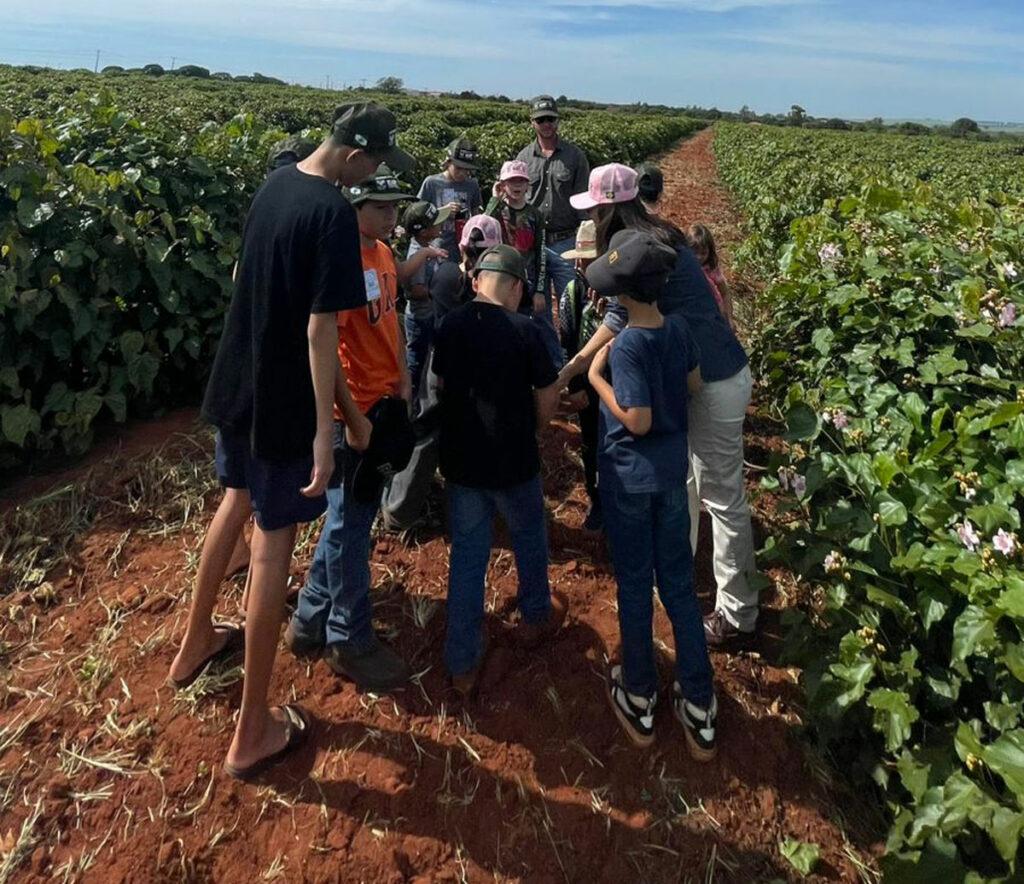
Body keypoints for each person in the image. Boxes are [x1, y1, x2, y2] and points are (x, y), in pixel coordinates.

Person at [169, 101, 413, 780]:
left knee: (234, 501)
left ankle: (192, 645)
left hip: (236, 380)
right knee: (275, 544)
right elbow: (320, 334)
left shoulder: (276, 183)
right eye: (375, 166)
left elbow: (251, 285)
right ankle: (253, 731)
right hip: (281, 403)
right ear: (358, 158)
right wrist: (335, 431)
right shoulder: (333, 213)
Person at [558, 163, 758, 651]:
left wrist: (578, 371)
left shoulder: (638, 248)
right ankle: (675, 572)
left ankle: (738, 612)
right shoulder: (653, 236)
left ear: (607, 208)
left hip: (712, 378)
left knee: (721, 495)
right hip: (701, 375)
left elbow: (619, 319)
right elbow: (622, 314)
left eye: (595, 209)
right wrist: (573, 369)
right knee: (687, 481)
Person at [285, 164, 417, 693]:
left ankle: (309, 618)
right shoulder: (339, 262)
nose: (391, 216)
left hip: (383, 402)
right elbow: (327, 354)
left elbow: (392, 319)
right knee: (349, 526)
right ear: (353, 209)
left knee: (349, 521)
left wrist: (404, 375)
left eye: (393, 207)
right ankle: (349, 637)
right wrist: (354, 419)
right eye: (380, 208)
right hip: (353, 416)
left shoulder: (384, 254)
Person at [585, 229, 717, 758]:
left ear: (626, 293)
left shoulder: (630, 344)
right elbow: (693, 386)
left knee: (636, 585)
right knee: (679, 585)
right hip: (670, 476)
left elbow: (636, 421)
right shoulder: (678, 328)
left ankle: (639, 693)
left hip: (630, 481)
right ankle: (699, 699)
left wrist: (597, 374)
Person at [432, 244, 567, 696]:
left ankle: (462, 660)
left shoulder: (449, 325)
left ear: (476, 282)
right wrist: (534, 427)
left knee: (469, 555)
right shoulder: (524, 331)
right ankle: (534, 616)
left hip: (463, 464)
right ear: (514, 288)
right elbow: (548, 395)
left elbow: (442, 384)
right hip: (513, 462)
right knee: (529, 536)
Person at [381, 215, 504, 532]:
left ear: (462, 246)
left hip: (443, 364)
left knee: (427, 432)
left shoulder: (448, 277)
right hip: (475, 365)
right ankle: (464, 508)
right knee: (467, 431)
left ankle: (400, 511)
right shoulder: (499, 284)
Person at [515, 96, 590, 321]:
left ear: (557, 121)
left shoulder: (575, 156)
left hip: (565, 242)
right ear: (532, 123)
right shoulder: (523, 158)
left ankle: (572, 354)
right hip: (533, 244)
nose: (546, 124)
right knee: (538, 310)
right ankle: (546, 355)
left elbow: (583, 203)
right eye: (541, 120)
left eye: (550, 119)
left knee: (572, 305)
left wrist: (584, 247)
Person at [486, 160, 562, 363]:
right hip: (504, 279)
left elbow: (541, 254)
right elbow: (483, 226)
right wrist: (494, 199)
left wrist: (539, 290)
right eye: (511, 181)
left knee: (542, 324)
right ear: (502, 185)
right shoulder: (497, 212)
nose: (517, 186)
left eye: (521, 181)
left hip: (529, 282)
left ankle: (556, 367)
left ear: (528, 185)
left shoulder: (535, 215)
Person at [557, 219, 604, 531]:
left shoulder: (623, 291)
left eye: (586, 260)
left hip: (621, 381)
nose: (579, 264)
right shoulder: (573, 293)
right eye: (579, 259)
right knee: (590, 443)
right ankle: (597, 502)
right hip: (588, 382)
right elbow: (567, 343)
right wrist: (574, 387)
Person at [398, 200, 452, 401]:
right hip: (421, 318)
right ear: (423, 232)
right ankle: (410, 406)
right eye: (436, 223)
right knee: (416, 363)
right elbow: (414, 291)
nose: (440, 225)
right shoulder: (417, 256)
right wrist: (439, 291)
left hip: (430, 314)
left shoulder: (428, 246)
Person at [416, 136, 483, 261]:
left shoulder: (472, 185)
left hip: (462, 248)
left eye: (467, 169)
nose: (462, 173)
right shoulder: (431, 183)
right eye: (458, 168)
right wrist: (442, 212)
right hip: (435, 247)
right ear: (448, 162)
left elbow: (475, 215)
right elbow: (417, 217)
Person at [687, 222, 735, 330]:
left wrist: (729, 319)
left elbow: (725, 292)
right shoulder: (683, 270)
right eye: (695, 252)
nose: (699, 257)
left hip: (714, 315)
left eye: (703, 253)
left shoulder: (711, 269)